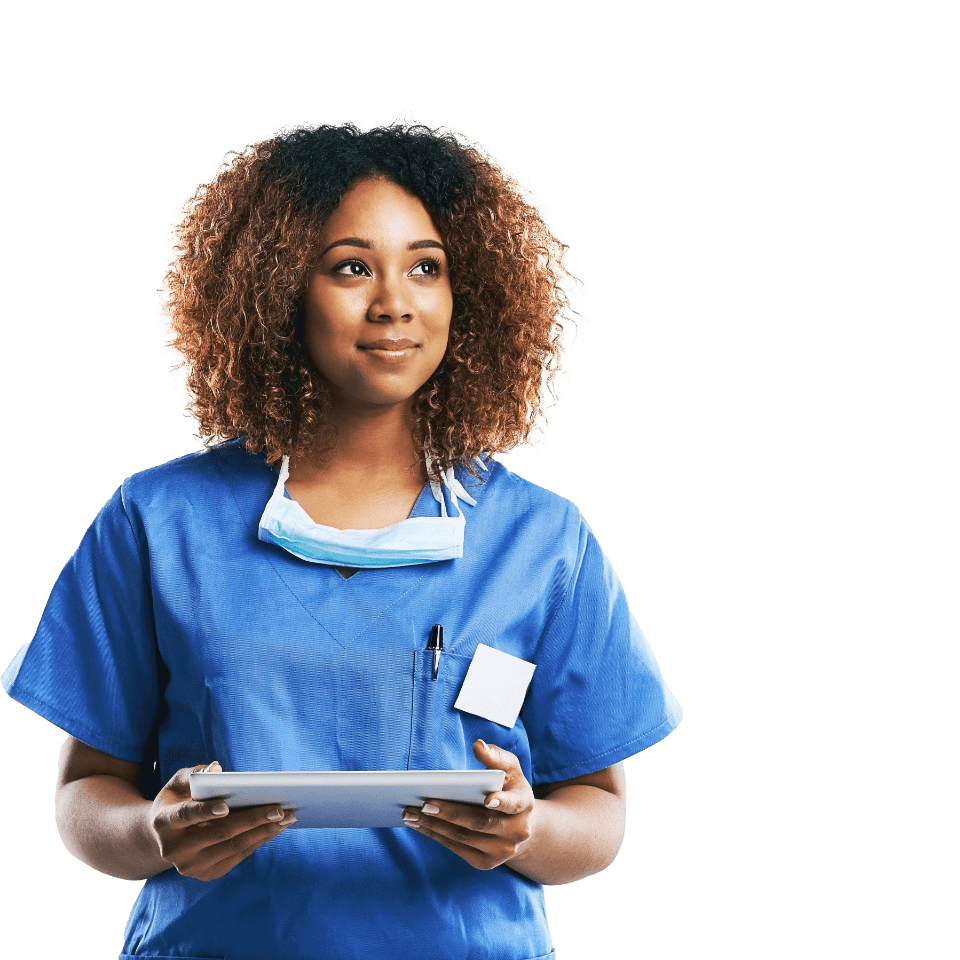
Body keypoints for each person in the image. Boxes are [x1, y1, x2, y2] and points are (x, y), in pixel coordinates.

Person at [3, 113, 682, 959]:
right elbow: (83, 794)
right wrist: (154, 833)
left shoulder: (543, 540)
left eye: (427, 268)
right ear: (278, 286)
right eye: (351, 267)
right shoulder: (156, 522)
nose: (394, 303)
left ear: (469, 294)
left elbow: (601, 812)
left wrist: (524, 829)